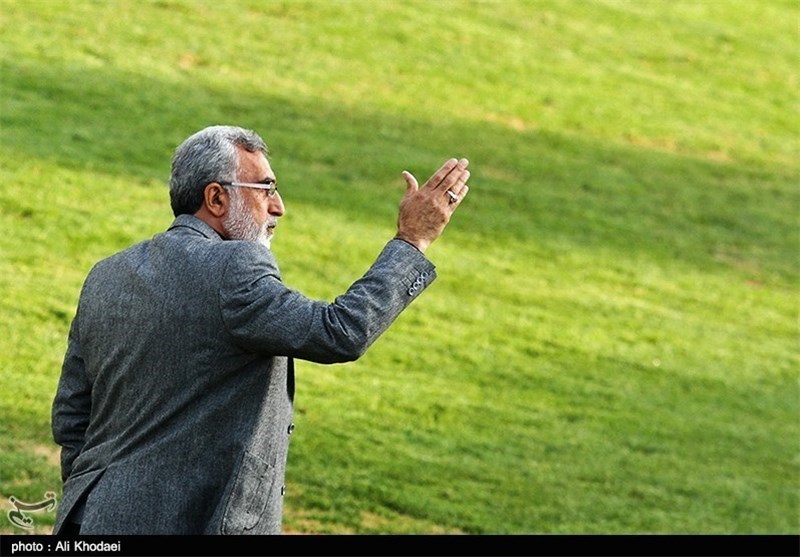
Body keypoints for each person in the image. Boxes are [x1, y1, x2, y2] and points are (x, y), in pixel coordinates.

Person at [51, 125, 470, 535]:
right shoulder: (233, 267)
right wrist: (412, 240)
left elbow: (72, 415)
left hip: (87, 520)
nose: (278, 207)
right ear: (216, 198)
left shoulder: (106, 274)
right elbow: (340, 331)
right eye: (266, 189)